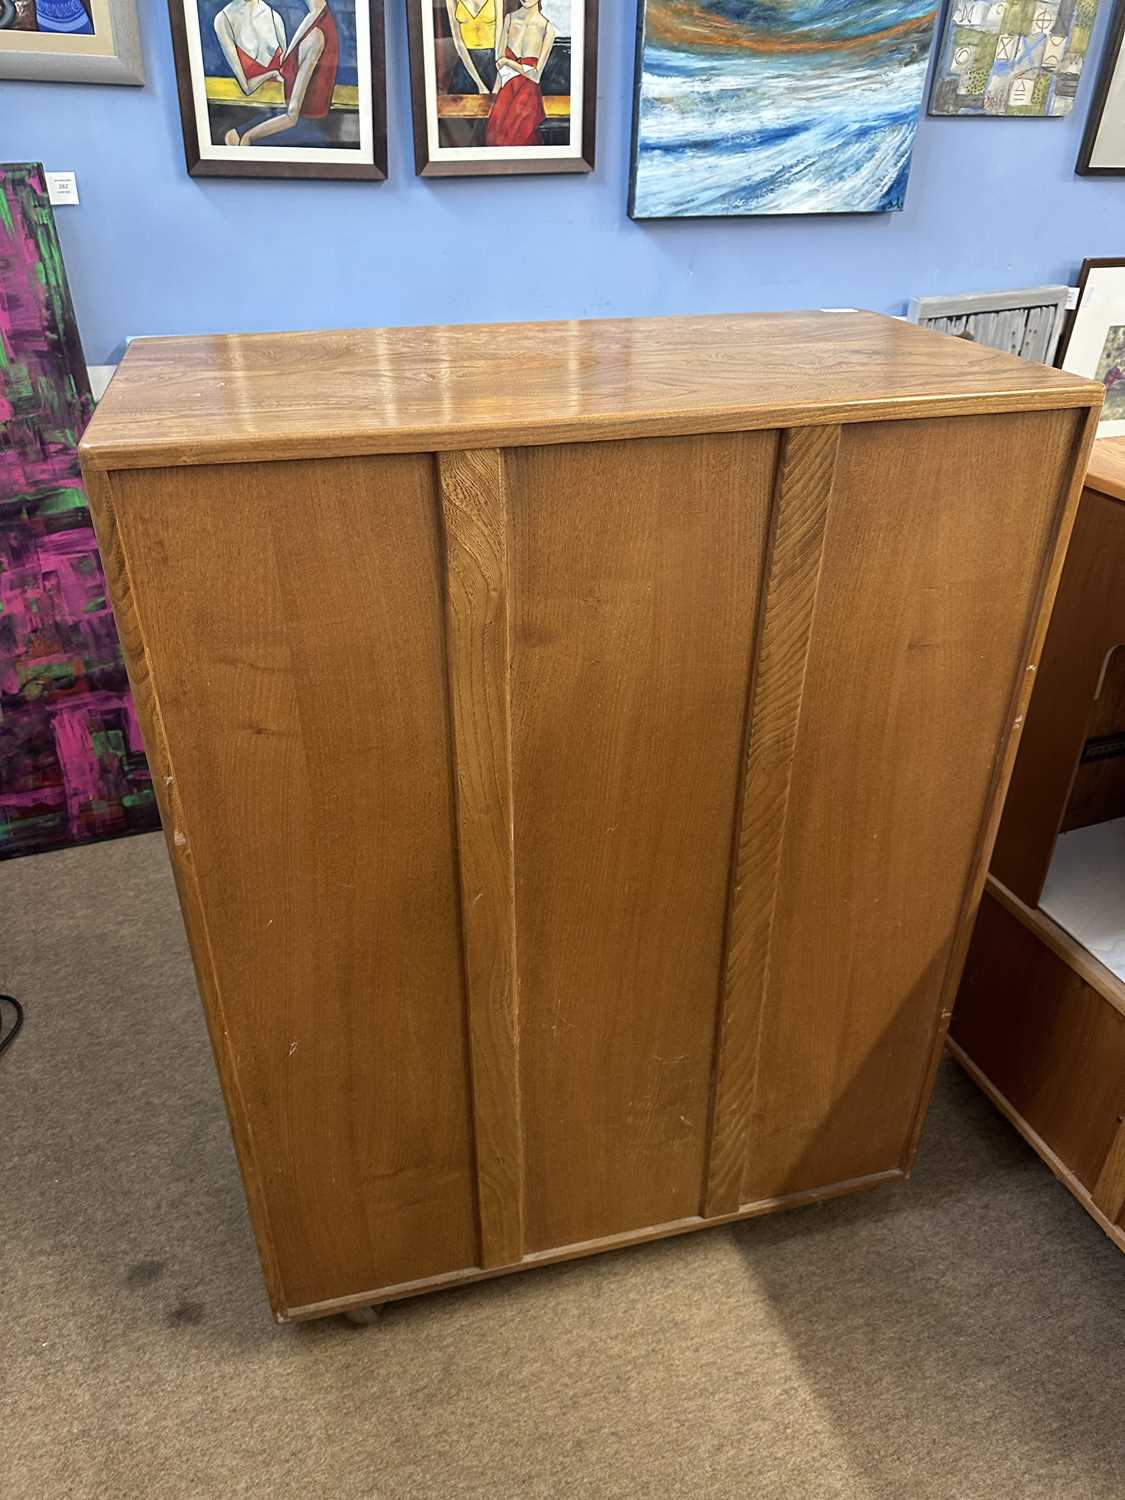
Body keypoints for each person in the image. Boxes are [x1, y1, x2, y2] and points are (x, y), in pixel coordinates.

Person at [221, 0, 340, 147]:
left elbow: (292, 115)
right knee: (233, 136)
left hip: (305, 125)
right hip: (280, 111)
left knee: (237, 138)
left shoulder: (314, 36)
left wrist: (249, 136)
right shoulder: (225, 20)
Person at [486, 0, 555, 148]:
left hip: (527, 95)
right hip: (506, 92)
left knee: (518, 137)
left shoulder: (547, 28)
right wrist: (493, 93)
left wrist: (508, 62)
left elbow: (535, 76)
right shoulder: (509, 19)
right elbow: (500, 67)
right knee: (494, 135)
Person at [212, 0, 286, 100]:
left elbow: (287, 75)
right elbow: (246, 87)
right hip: (251, 109)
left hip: (281, 103)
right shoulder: (224, 21)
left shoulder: (275, 17)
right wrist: (272, 74)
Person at [444, 0, 498, 96]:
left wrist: (499, 80)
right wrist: (479, 84)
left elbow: (500, 38)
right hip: (466, 62)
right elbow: (458, 41)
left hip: (493, 62)